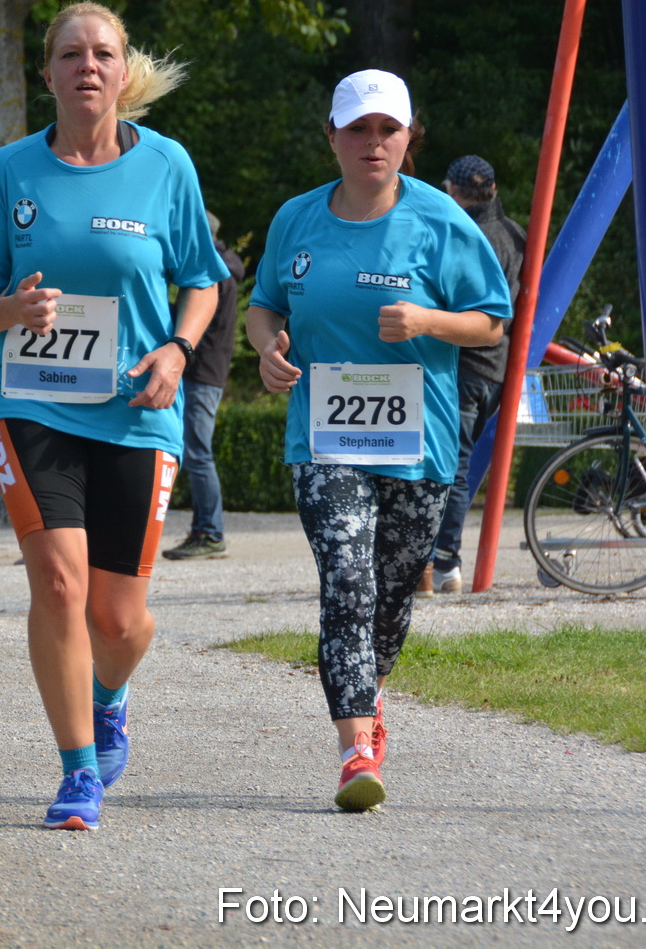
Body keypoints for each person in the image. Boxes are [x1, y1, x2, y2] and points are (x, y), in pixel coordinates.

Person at [0, 1, 226, 831]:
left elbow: (203, 279)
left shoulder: (167, 165)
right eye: (71, 54)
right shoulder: (10, 172)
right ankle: (78, 770)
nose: (87, 66)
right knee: (58, 582)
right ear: (47, 73)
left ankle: (110, 697)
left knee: (120, 619)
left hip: (134, 409)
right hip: (32, 402)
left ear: (122, 68)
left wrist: (178, 348)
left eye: (103, 53)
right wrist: (14, 309)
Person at [246, 70, 511, 812]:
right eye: (357, 129)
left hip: (417, 443)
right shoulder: (296, 219)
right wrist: (267, 349)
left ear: (408, 136)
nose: (372, 142)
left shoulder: (440, 218)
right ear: (331, 135)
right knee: (346, 578)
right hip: (325, 439)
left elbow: (491, 323)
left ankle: (369, 691)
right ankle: (356, 749)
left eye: (387, 129)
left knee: (390, 595)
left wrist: (427, 321)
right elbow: (264, 307)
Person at [423, 155, 526, 596]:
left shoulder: (461, 234)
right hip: (498, 369)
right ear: (494, 190)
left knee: (447, 467)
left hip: (462, 364)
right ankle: (443, 561)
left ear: (451, 190)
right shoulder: (516, 234)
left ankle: (442, 561)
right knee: (459, 466)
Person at [164, 212, 245, 560]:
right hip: (208, 371)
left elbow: (193, 318)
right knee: (196, 453)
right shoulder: (224, 267)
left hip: (201, 372)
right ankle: (206, 531)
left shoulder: (212, 271)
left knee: (197, 454)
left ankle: (210, 533)